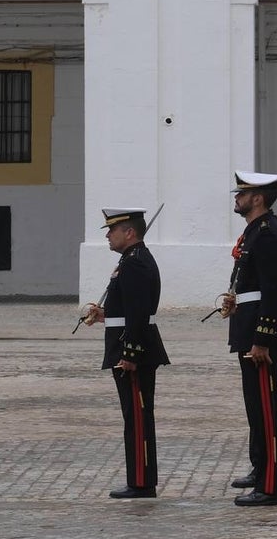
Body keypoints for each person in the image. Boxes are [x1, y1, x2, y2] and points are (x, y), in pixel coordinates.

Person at [83, 208, 170, 499]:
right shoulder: (130, 260)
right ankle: (139, 479)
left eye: (113, 230)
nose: (108, 235)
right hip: (128, 344)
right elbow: (127, 309)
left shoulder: (134, 263)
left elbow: (138, 312)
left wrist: (130, 353)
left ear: (129, 232)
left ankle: (142, 482)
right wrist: (105, 315)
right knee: (133, 416)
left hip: (134, 351)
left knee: (138, 417)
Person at [226, 171, 277, 506]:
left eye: (242, 193)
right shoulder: (256, 230)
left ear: (258, 198)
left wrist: (263, 338)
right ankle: (261, 468)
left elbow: (276, 286)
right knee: (256, 405)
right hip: (249, 324)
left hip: (260, 332)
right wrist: (236, 301)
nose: (237, 198)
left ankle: (272, 486)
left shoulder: (267, 232)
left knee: (268, 408)